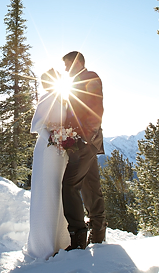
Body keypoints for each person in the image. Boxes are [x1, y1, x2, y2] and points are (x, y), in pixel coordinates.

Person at [24, 69, 71, 260]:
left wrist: (65, 139)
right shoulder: (46, 98)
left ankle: (61, 241)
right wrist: (53, 138)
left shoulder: (64, 99)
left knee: (58, 193)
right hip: (47, 150)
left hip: (61, 153)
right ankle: (43, 245)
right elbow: (36, 126)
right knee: (46, 193)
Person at [62, 51, 106, 250]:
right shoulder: (79, 81)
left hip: (85, 142)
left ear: (78, 63)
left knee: (69, 186)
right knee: (90, 188)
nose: (65, 69)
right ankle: (98, 235)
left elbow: (95, 110)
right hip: (89, 142)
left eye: (67, 64)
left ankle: (78, 237)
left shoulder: (89, 78)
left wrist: (83, 138)